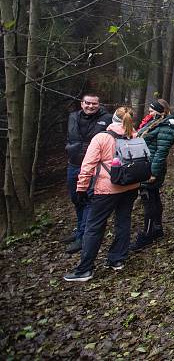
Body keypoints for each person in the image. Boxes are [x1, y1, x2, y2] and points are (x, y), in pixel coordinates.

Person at [63, 107, 140, 281]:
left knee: (94, 227)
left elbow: (87, 165)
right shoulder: (136, 136)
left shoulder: (102, 138)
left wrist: (81, 188)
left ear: (112, 119)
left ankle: (85, 269)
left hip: (107, 189)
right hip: (130, 187)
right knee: (123, 222)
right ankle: (117, 259)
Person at [131, 99, 174, 251]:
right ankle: (157, 228)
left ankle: (148, 233)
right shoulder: (157, 123)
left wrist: (153, 173)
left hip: (151, 168)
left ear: (160, 111)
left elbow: (161, 152)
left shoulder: (166, 126)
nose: (149, 114)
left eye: (151, 111)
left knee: (149, 199)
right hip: (147, 165)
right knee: (153, 197)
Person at [63, 93, 110, 254]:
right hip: (74, 164)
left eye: (94, 104)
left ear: (99, 105)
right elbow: (69, 137)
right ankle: (79, 230)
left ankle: (83, 237)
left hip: (94, 167)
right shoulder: (73, 117)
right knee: (76, 198)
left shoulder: (107, 119)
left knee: (88, 200)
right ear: (82, 103)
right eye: (87, 103)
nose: (91, 106)